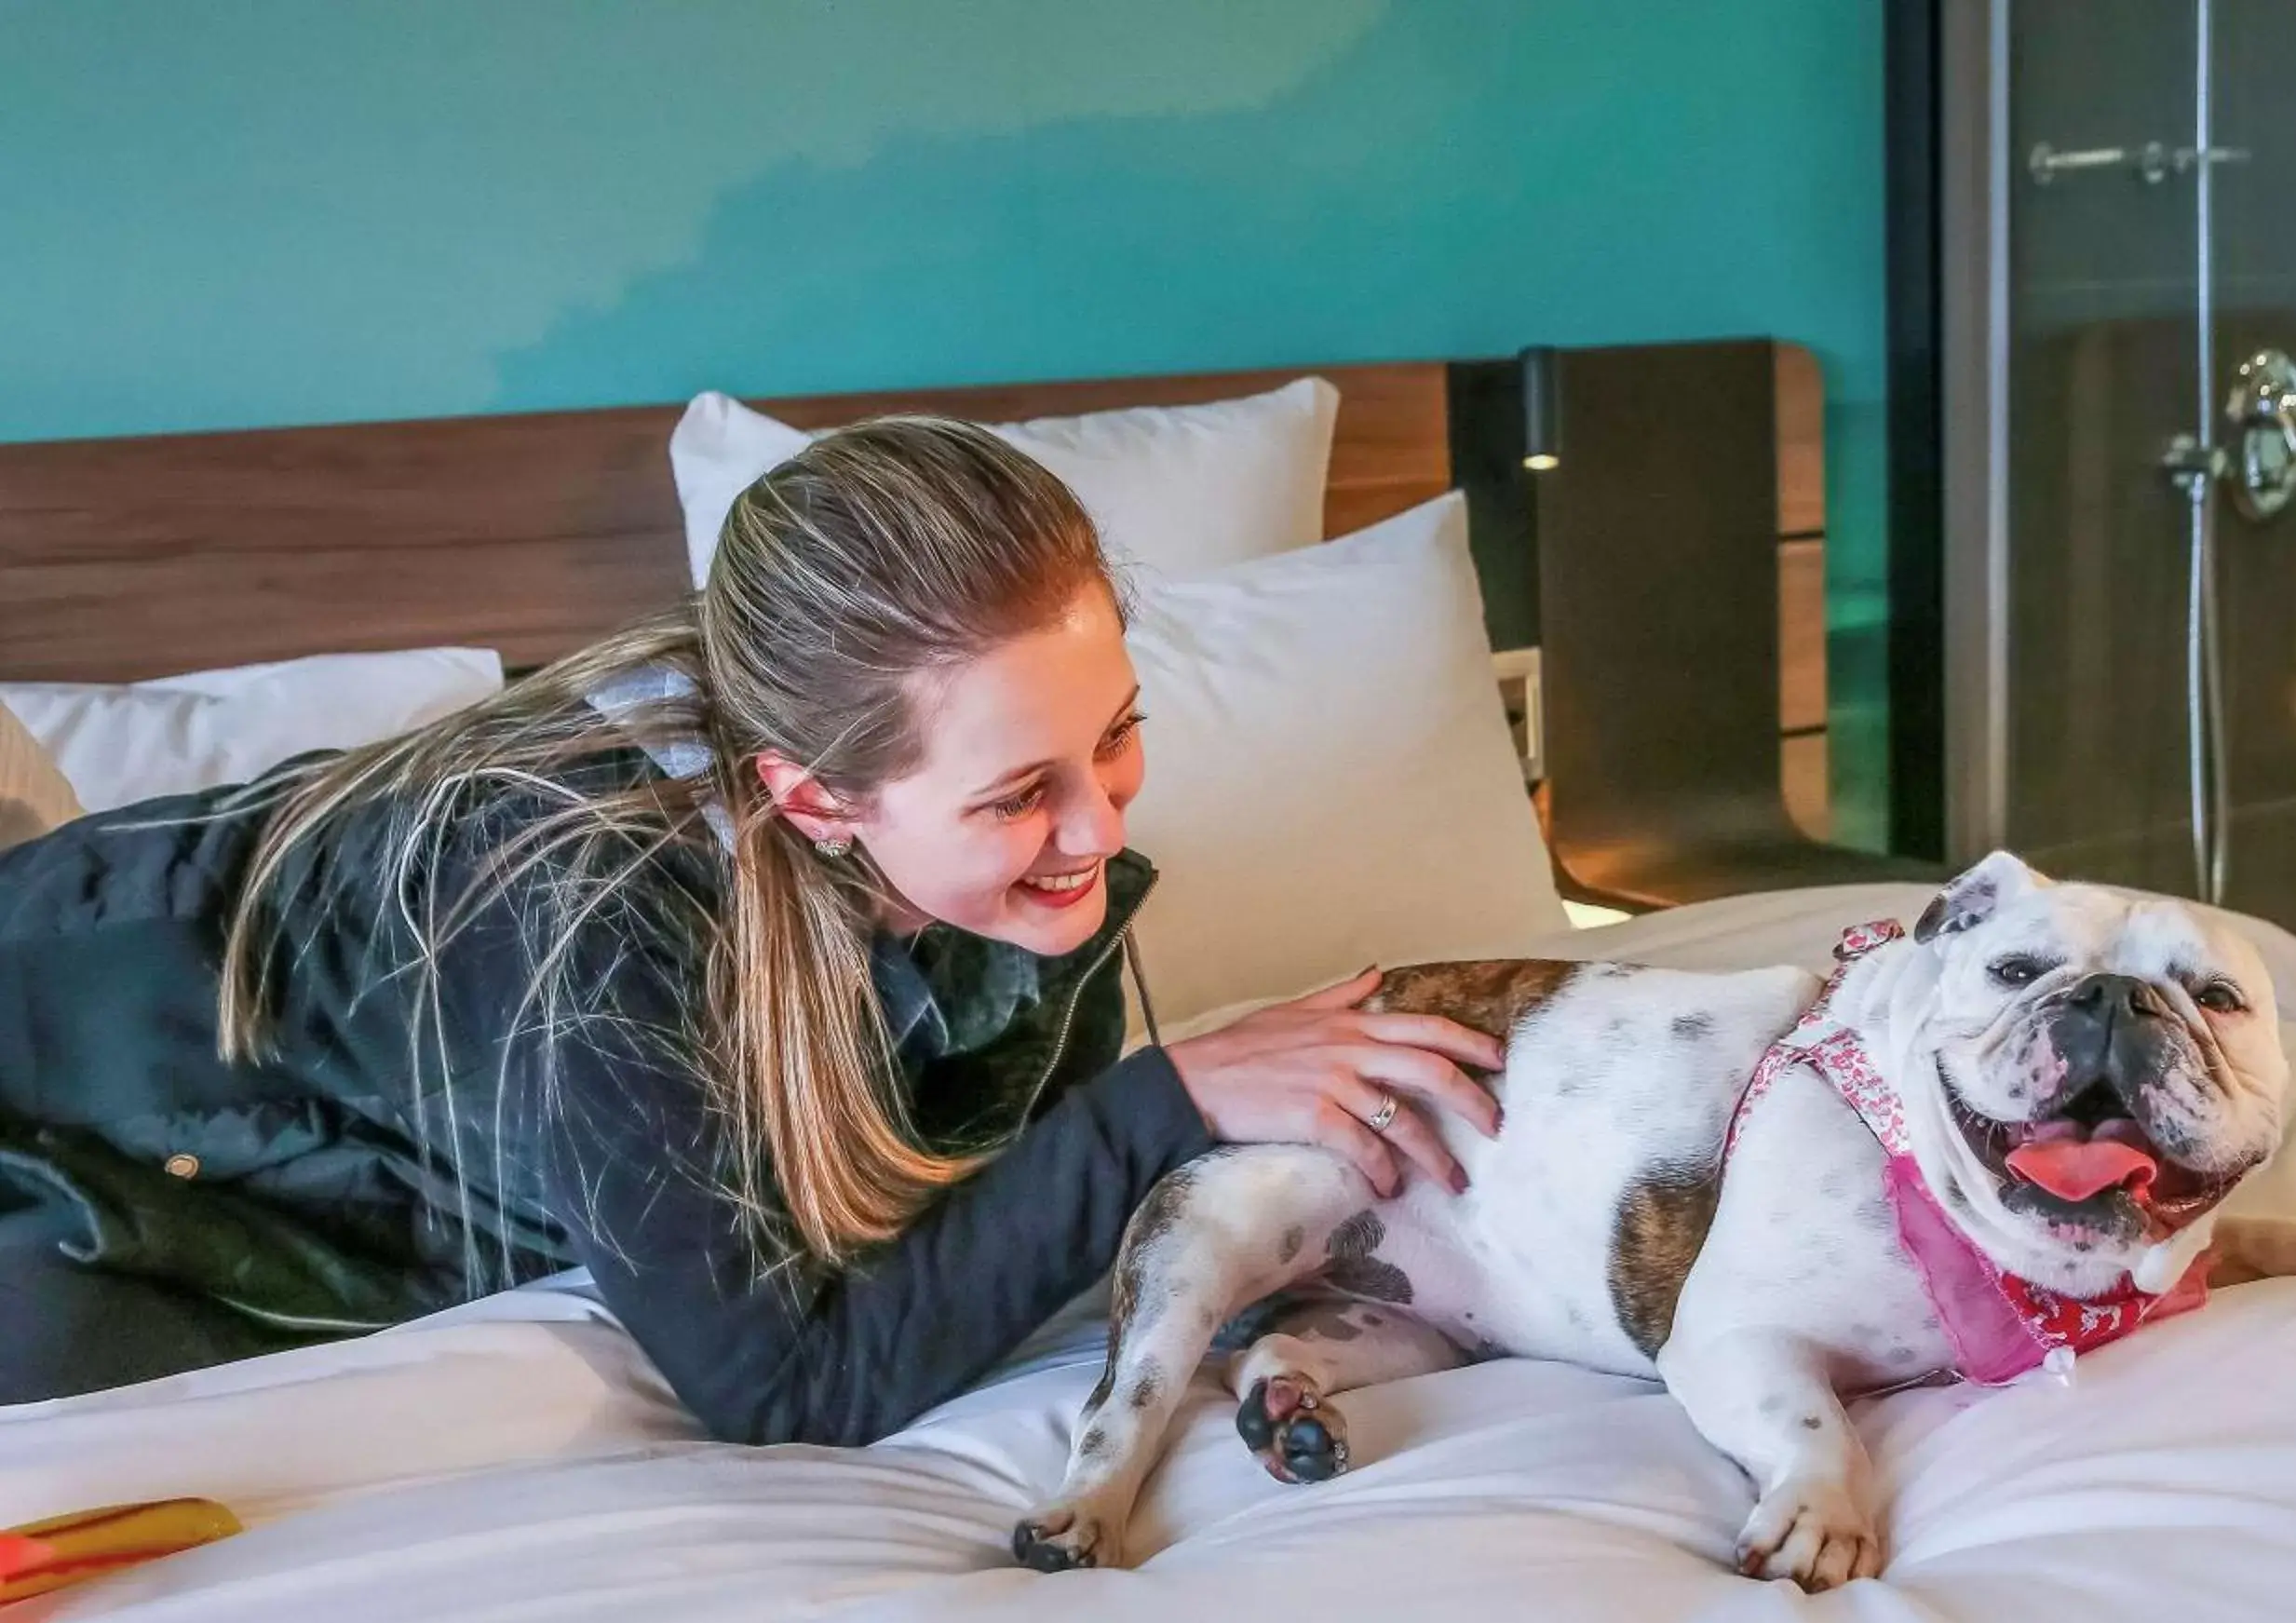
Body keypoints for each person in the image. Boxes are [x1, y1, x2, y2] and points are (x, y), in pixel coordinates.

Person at [0, 417, 1504, 1435]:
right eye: (1016, 794)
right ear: (817, 797)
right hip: (78, 1084)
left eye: (1117, 735)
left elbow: (986, 1200)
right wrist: (1164, 1100)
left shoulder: (1018, 882)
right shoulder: (591, 932)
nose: (1101, 829)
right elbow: (787, 1387)